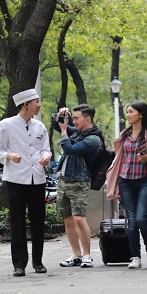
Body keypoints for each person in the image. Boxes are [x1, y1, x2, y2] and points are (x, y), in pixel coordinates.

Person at [0, 89, 51, 277]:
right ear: (26, 104)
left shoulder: (40, 126)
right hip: (16, 179)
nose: (39, 105)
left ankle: (38, 262)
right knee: (17, 221)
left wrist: (46, 157)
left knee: (38, 221)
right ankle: (19, 264)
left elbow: (45, 149)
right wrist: (9, 155)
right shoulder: (6, 125)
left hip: (37, 178)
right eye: (36, 101)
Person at [106, 100, 147, 269]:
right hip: (126, 181)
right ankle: (135, 256)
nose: (128, 115)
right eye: (127, 112)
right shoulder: (124, 135)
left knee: (141, 218)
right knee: (131, 221)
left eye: (131, 112)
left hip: (145, 181)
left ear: (141, 114)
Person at [53, 104, 102, 269]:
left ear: (87, 119)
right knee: (67, 219)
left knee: (79, 218)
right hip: (63, 180)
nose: (73, 121)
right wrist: (60, 115)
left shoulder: (92, 138)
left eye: (76, 118)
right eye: (72, 118)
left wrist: (65, 131)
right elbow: (57, 125)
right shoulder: (79, 133)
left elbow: (70, 148)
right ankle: (76, 255)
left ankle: (87, 255)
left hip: (79, 181)